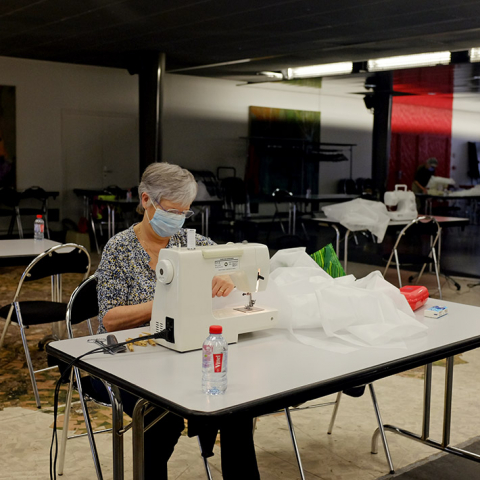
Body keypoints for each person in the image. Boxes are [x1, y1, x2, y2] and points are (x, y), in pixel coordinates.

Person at [94, 162, 260, 480]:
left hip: (183, 354)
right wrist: (164, 304)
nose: (179, 219)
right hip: (128, 363)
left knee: (238, 407)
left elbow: (235, 262)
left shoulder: (189, 242)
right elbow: (110, 320)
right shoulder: (120, 249)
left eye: (186, 211)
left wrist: (229, 276)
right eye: (173, 210)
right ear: (146, 201)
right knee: (161, 418)